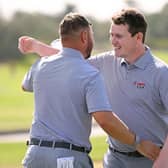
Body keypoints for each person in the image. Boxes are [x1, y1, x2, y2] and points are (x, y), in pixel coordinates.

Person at [18, 8, 165, 168]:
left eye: (119, 36)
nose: (113, 41)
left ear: (138, 37)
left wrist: (163, 162)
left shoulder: (161, 72)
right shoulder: (105, 61)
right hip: (114, 159)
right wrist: (36, 46)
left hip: (151, 160)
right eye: (111, 35)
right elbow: (69, 59)